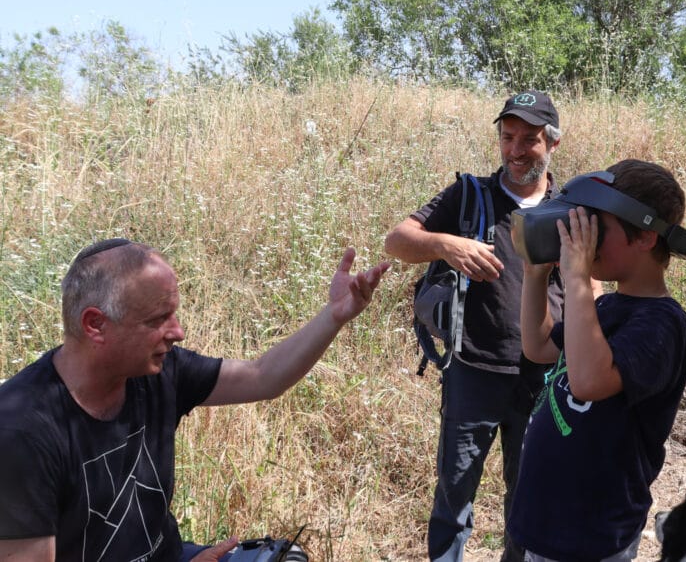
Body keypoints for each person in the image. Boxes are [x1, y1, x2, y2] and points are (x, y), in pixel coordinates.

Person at [0, 238, 389, 562]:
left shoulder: (157, 371)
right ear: (95, 324)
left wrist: (335, 316)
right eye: (158, 319)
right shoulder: (21, 433)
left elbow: (263, 377)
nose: (178, 332)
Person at [384, 90, 569, 562]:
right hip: (472, 371)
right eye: (508, 137)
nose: (515, 150)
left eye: (529, 139)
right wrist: (447, 245)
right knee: (453, 497)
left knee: (528, 500)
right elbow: (397, 241)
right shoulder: (470, 195)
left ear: (553, 144)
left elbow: (591, 286)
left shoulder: (571, 209)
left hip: (545, 378)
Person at [508, 159, 686, 562]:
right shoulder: (607, 305)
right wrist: (537, 276)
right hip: (548, 517)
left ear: (644, 237)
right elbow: (538, 346)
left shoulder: (663, 323)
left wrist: (576, 277)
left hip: (592, 529)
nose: (582, 243)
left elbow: (589, 382)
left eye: (595, 229)